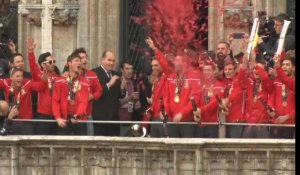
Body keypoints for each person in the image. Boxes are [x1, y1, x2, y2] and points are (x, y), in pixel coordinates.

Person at [162, 49, 201, 138]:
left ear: (184, 63)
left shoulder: (193, 77)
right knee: (173, 148)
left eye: (177, 60)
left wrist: (181, 114)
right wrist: (166, 112)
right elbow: (165, 96)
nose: (174, 63)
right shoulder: (171, 77)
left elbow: (195, 99)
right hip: (172, 120)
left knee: (187, 149)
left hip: (187, 121)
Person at [26, 38, 61, 135]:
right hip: (43, 115)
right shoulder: (39, 75)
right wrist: (30, 52)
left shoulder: (57, 77)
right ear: (42, 64)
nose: (53, 64)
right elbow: (33, 67)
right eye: (50, 62)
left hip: (56, 114)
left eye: (54, 61)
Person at [52, 52, 90, 135]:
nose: (79, 63)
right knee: (63, 146)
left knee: (82, 146)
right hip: (64, 119)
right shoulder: (60, 81)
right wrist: (58, 118)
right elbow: (55, 101)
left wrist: (77, 115)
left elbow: (83, 102)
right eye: (76, 61)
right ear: (69, 63)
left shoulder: (84, 82)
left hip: (79, 119)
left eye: (80, 61)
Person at [0, 68, 47, 135]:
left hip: (26, 122)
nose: (20, 78)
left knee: (28, 144)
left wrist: (44, 81)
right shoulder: (5, 83)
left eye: (21, 76)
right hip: (12, 120)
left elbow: (41, 87)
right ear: (11, 77)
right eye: (17, 76)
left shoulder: (27, 83)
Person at [92, 51, 126, 136]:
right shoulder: (94, 73)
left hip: (114, 119)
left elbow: (119, 96)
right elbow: (95, 93)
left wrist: (122, 88)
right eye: (109, 60)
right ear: (102, 60)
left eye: (113, 61)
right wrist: (109, 84)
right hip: (100, 119)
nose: (112, 63)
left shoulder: (115, 74)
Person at [73, 48, 103, 136]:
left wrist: (92, 96)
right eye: (82, 58)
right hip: (73, 115)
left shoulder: (92, 75)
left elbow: (99, 90)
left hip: (88, 114)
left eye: (86, 57)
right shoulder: (68, 76)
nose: (85, 60)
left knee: (89, 141)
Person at [267, 50, 295, 139]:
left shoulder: (293, 83)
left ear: (294, 68)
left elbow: (286, 80)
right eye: (283, 65)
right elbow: (271, 99)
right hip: (276, 123)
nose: (284, 67)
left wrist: (287, 117)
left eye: (287, 65)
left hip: (290, 124)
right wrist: (271, 109)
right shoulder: (276, 81)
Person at [193, 61, 220, 138]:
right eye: (205, 70)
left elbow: (214, 103)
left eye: (209, 70)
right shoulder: (199, 85)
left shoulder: (218, 85)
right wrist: (195, 111)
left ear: (214, 71)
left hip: (212, 124)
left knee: (211, 149)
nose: (206, 72)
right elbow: (195, 99)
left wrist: (200, 110)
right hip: (200, 122)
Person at [118, 59, 140, 136]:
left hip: (131, 121)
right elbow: (116, 103)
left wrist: (137, 102)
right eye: (127, 68)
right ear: (121, 70)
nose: (129, 71)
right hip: (118, 122)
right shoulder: (118, 82)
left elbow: (136, 107)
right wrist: (130, 98)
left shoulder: (134, 84)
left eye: (131, 69)